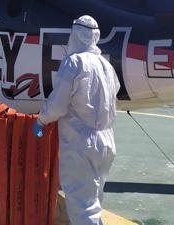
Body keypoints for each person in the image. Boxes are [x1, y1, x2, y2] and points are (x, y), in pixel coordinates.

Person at [34, 15, 120, 225]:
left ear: (77, 35)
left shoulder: (74, 61)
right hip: (107, 141)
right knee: (94, 200)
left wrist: (41, 121)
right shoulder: (105, 65)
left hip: (81, 142)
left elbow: (58, 104)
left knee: (82, 205)